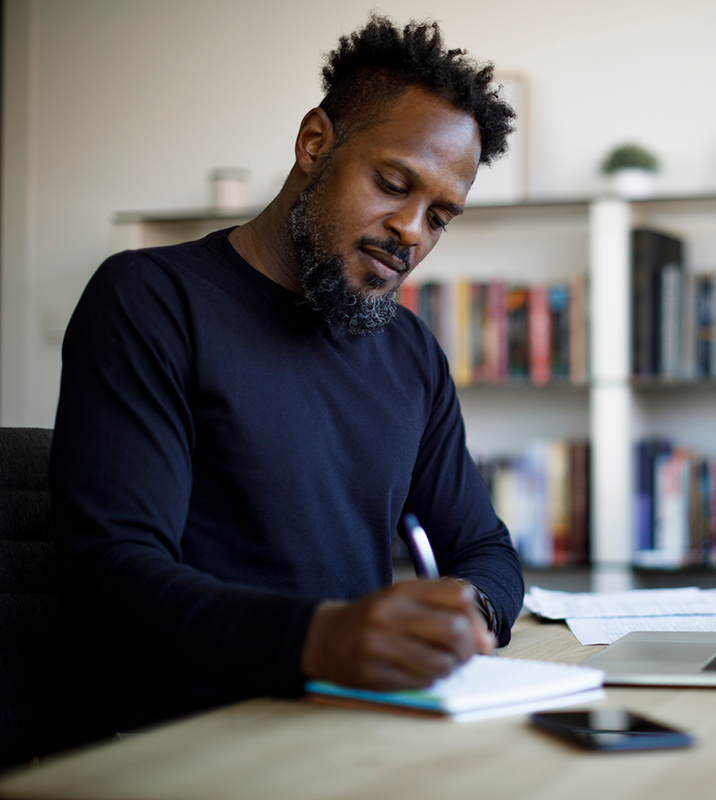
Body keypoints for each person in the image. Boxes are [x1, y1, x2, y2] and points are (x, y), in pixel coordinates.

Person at [49, 15, 524, 735]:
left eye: (440, 217)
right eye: (394, 183)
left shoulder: (410, 353)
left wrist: (465, 610)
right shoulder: (150, 300)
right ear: (315, 143)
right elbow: (113, 577)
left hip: (353, 723)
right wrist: (321, 638)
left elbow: (483, 549)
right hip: (185, 737)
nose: (411, 232)